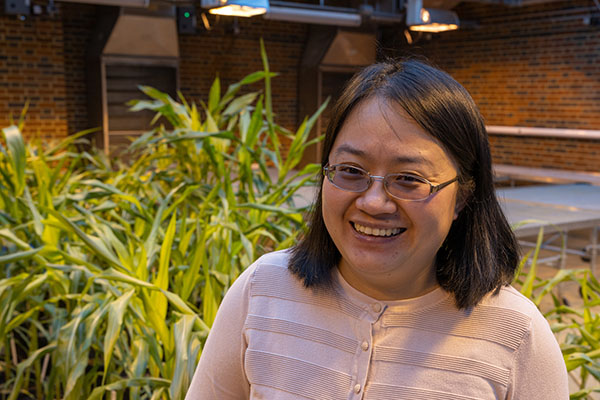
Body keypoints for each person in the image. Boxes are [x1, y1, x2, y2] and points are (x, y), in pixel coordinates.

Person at [185, 59, 569, 399]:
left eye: (408, 178)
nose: (373, 202)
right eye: (351, 171)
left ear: (464, 196)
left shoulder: (517, 334)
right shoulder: (262, 289)